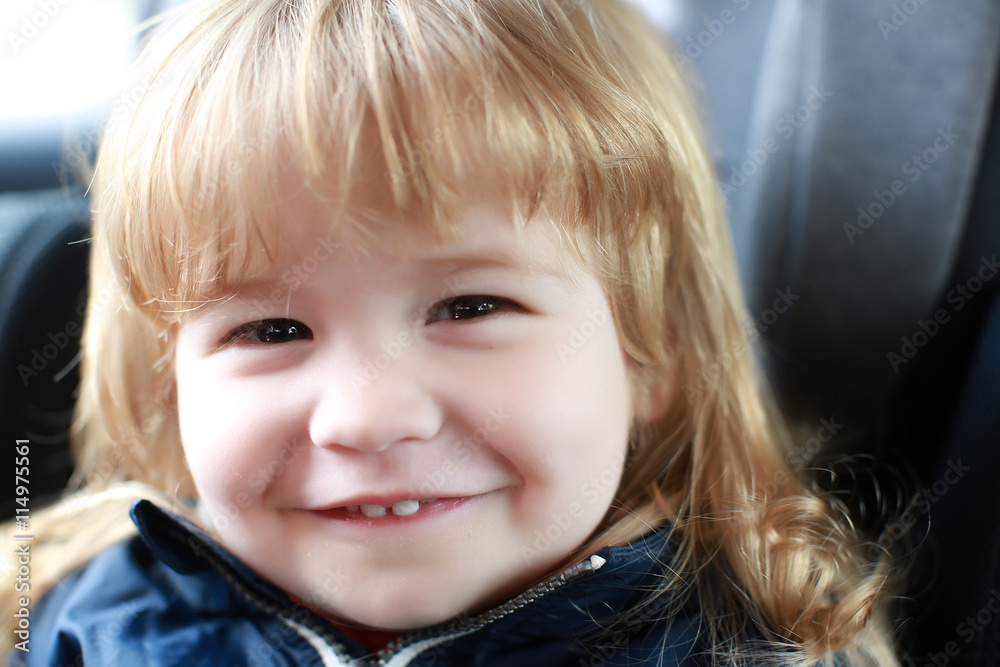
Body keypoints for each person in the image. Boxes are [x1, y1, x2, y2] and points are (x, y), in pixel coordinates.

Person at [1, 0, 900, 664]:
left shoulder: (746, 648)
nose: (364, 417)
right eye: (272, 328)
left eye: (468, 308)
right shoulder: (79, 620)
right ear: (169, 384)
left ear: (650, 347)